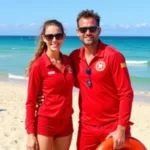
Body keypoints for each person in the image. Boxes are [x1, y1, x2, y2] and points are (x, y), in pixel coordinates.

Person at [69, 9, 134, 150]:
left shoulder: (113, 56)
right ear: (77, 32)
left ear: (99, 30)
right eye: (83, 29)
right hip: (86, 127)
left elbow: (126, 93)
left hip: (113, 126)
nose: (88, 32)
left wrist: (121, 129)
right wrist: (41, 96)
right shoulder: (74, 57)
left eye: (92, 28)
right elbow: (62, 81)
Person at [25, 19, 74, 150]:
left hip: (66, 122)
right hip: (46, 122)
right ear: (44, 38)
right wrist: (30, 134)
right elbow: (30, 102)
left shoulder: (69, 62)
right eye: (50, 36)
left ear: (63, 36)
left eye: (58, 35)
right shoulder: (38, 66)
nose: (54, 40)